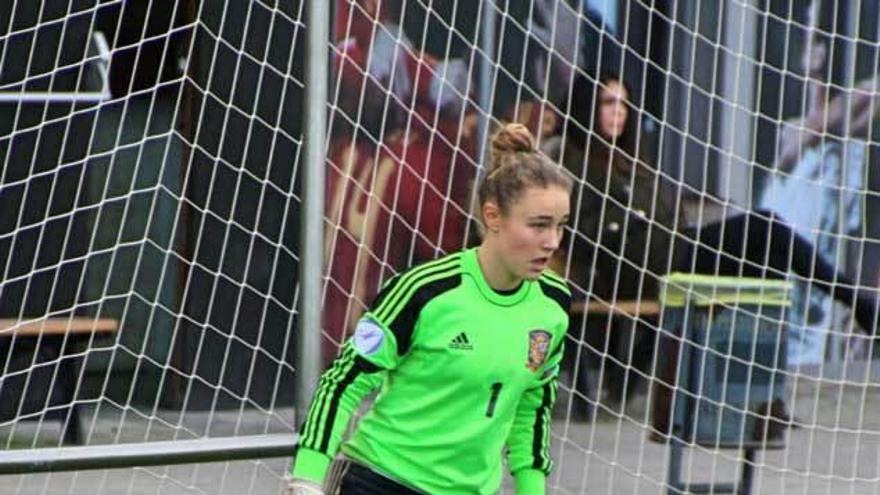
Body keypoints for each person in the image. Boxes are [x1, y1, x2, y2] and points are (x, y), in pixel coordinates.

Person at [287, 123, 573, 495]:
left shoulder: (553, 304)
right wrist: (307, 477)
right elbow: (342, 383)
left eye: (561, 226)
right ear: (493, 216)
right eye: (538, 225)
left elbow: (532, 408)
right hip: (382, 482)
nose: (551, 241)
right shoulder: (423, 290)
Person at [544, 73, 679, 412]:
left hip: (660, 262)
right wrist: (627, 218)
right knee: (752, 237)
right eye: (608, 103)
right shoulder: (573, 161)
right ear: (589, 108)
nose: (618, 112)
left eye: (623, 104)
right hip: (608, 269)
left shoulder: (636, 162)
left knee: (764, 229)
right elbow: (578, 230)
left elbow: (668, 214)